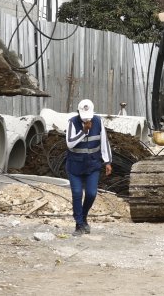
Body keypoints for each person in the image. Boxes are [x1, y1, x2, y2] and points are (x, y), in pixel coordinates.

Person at [66, 99, 112, 235]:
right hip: (75, 166)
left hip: (93, 164)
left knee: (91, 193)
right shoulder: (72, 122)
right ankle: (79, 224)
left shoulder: (98, 122)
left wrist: (107, 161)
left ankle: (83, 216)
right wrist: (84, 132)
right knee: (77, 193)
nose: (87, 120)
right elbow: (69, 143)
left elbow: (104, 142)